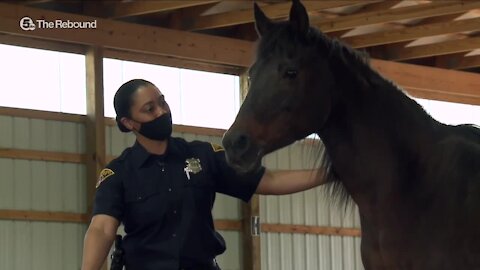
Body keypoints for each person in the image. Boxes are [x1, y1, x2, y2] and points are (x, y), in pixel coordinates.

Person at [81, 79, 327, 270]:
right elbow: (102, 228)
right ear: (129, 123)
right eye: (150, 109)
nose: (162, 112)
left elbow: (268, 180)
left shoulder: (204, 155)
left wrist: (331, 172)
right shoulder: (119, 173)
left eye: (163, 102)